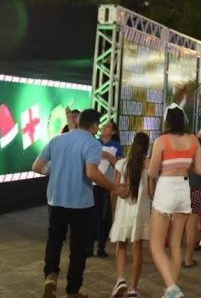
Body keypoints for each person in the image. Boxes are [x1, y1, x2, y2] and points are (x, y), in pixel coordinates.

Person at [33, 108, 129, 298]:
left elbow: (37, 166)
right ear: (94, 126)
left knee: (54, 239)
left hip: (56, 199)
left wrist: (55, 171)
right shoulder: (92, 143)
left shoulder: (57, 140)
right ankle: (73, 290)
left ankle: (51, 276)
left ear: (79, 121)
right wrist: (115, 187)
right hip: (81, 204)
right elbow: (91, 173)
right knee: (78, 248)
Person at [148, 105, 201, 298]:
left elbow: (152, 172)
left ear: (167, 121)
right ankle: (171, 289)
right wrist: (184, 162)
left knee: (156, 245)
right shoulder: (194, 140)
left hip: (166, 187)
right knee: (175, 244)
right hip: (184, 188)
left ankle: (172, 288)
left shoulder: (161, 141)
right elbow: (200, 170)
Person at [109, 132, 151, 298]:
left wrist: (113, 210)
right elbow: (151, 191)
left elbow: (115, 190)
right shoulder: (148, 166)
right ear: (147, 148)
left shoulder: (121, 164)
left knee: (121, 245)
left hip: (123, 211)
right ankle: (133, 288)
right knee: (137, 249)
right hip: (140, 213)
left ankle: (120, 279)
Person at [91, 120, 124, 258]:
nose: (104, 128)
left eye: (108, 127)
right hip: (92, 183)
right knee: (92, 215)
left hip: (107, 184)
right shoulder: (94, 142)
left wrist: (110, 157)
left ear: (113, 131)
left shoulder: (117, 146)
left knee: (104, 216)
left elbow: (120, 165)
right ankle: (88, 246)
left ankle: (101, 246)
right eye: (103, 126)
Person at [183, 131, 201, 268]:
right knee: (191, 228)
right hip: (197, 193)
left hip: (181, 193)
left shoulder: (183, 160)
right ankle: (188, 259)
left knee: (179, 227)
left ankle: (175, 257)